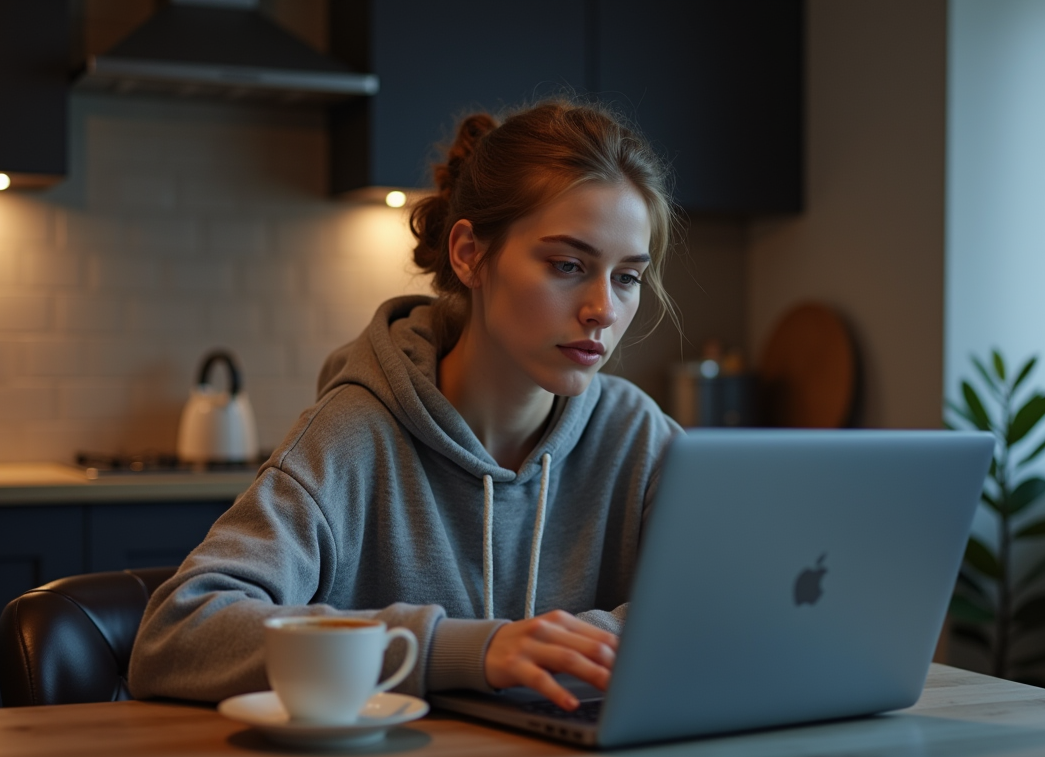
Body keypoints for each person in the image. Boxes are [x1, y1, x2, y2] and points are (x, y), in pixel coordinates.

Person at [128, 98, 683, 712]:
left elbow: (729, 607)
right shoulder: (352, 435)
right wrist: (461, 650)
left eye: (627, 277)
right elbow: (178, 630)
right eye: (568, 265)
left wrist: (562, 651)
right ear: (469, 254)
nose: (603, 309)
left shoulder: (640, 436)